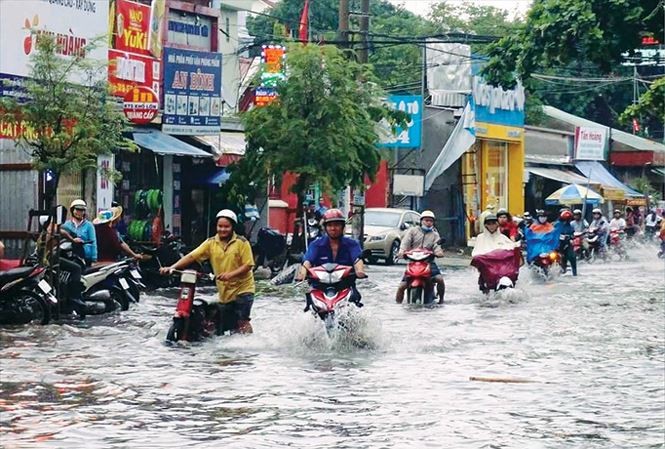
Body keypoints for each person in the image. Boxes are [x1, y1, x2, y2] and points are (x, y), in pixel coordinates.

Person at [160, 209, 256, 334]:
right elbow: (192, 256)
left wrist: (230, 275)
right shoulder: (211, 243)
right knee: (225, 324)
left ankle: (248, 343)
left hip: (243, 289)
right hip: (225, 291)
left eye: (226, 226)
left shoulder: (242, 242)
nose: (222, 229)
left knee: (241, 321)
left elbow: (248, 265)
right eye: (220, 226)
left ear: (233, 227)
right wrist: (172, 267)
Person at [295, 208, 366, 306]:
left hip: (344, 285)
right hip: (319, 286)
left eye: (337, 225)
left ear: (342, 227)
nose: (333, 228)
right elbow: (307, 261)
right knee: (307, 298)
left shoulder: (352, 244)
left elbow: (357, 259)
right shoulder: (316, 244)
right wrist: (302, 273)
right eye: (330, 225)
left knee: (355, 299)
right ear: (325, 227)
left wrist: (360, 271)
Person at [395, 210, 445, 304]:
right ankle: (398, 305)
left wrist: (438, 253)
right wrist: (401, 252)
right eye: (426, 220)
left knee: (440, 279)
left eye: (431, 221)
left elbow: (437, 247)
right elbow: (405, 243)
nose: (428, 223)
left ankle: (441, 300)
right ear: (421, 221)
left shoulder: (435, 235)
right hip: (413, 262)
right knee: (401, 286)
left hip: (428, 262)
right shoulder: (412, 231)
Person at [471, 213, 519, 292]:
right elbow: (476, 252)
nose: (491, 226)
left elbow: (511, 247)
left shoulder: (502, 237)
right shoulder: (480, 238)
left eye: (493, 223)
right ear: (486, 225)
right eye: (489, 224)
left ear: (497, 225)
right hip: (487, 267)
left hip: (502, 267)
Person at [61, 199, 97, 266]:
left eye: (82, 210)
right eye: (77, 210)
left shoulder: (89, 225)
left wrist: (94, 259)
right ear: (72, 210)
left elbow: (93, 242)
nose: (79, 212)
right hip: (69, 256)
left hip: (85, 257)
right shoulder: (66, 225)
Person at [556, 210, 577, 276]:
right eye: (564, 219)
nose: (566, 221)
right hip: (557, 245)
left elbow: (572, 233)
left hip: (567, 244)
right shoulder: (556, 225)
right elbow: (552, 234)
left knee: (572, 256)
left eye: (568, 219)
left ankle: (574, 272)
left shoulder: (570, 226)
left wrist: (571, 236)